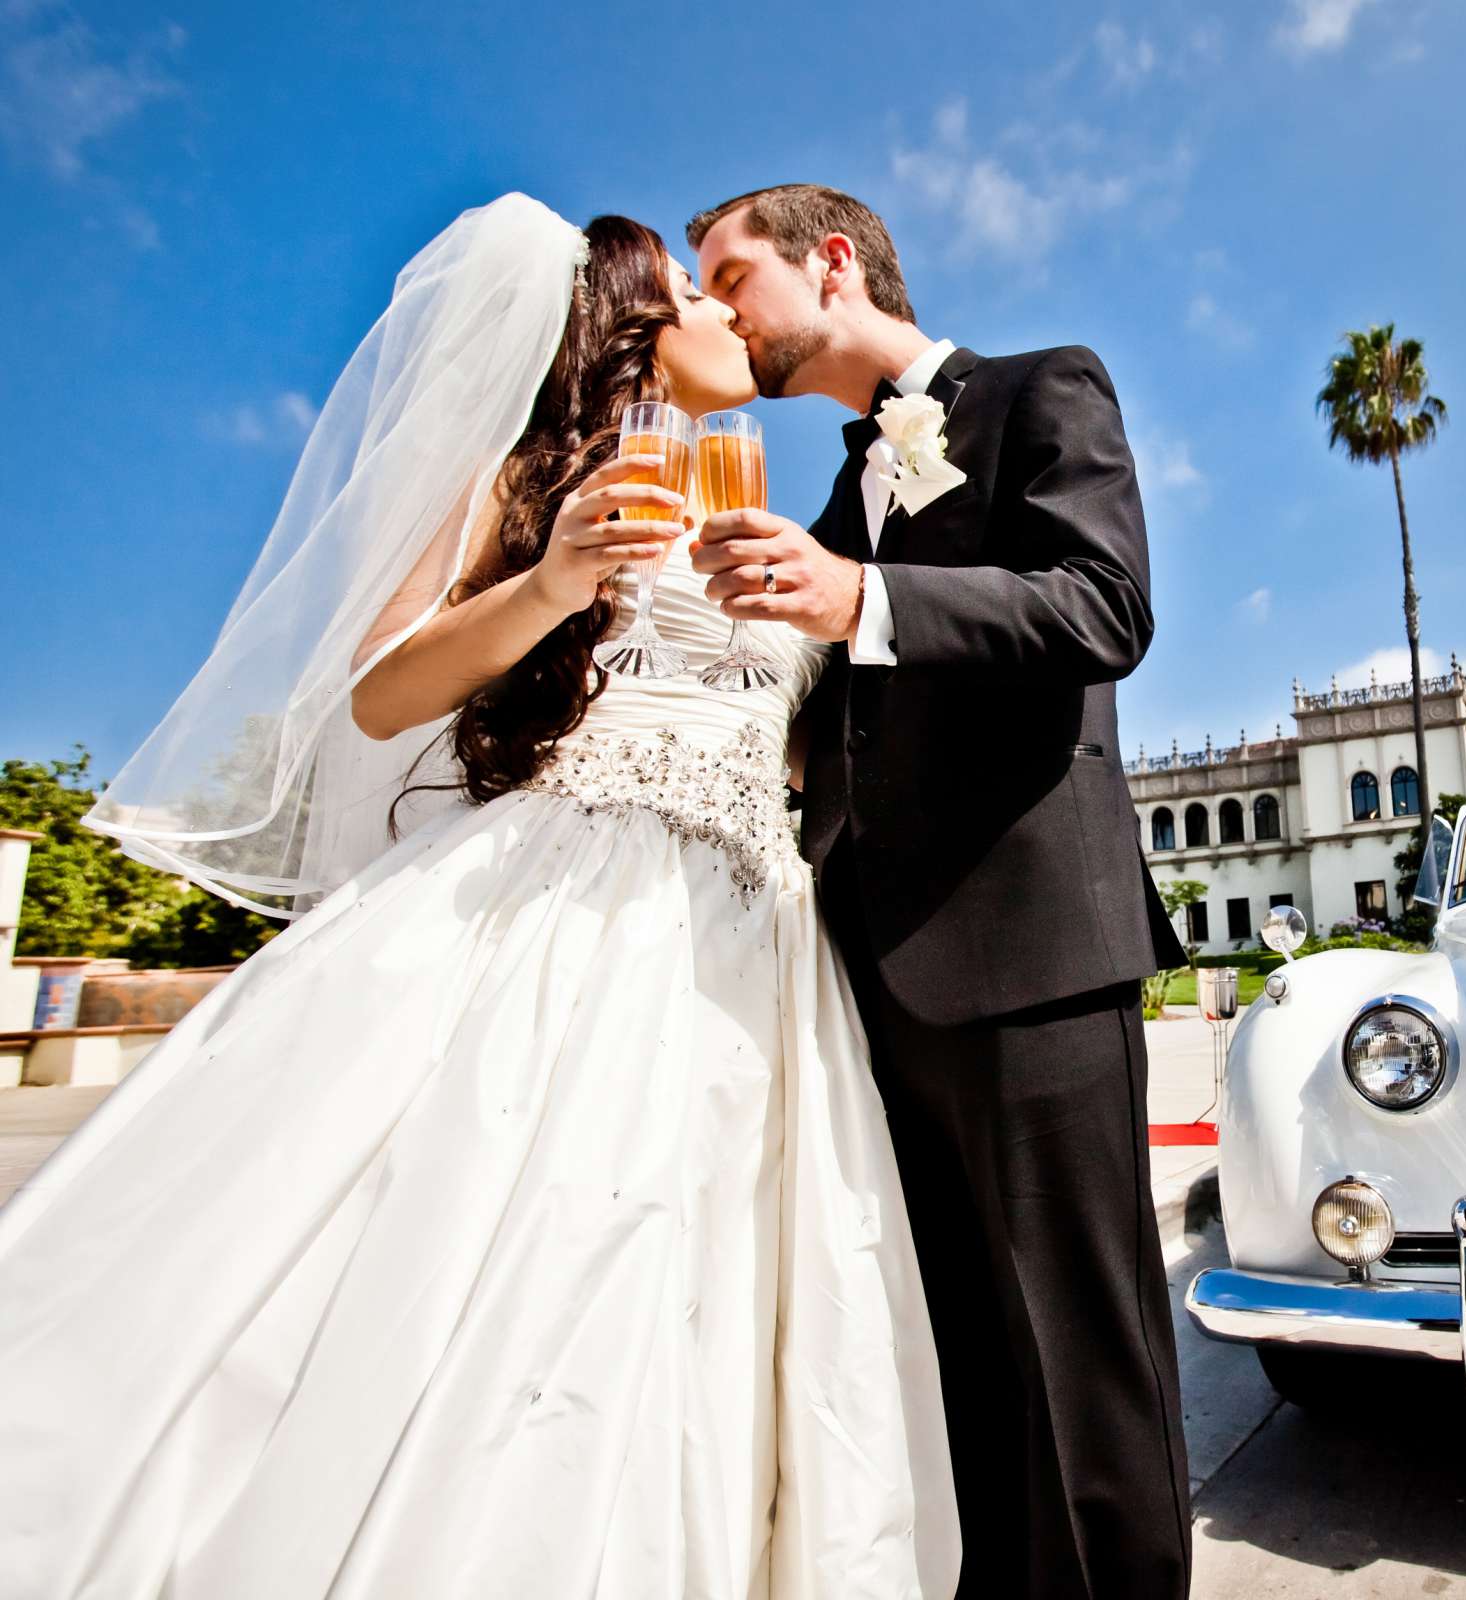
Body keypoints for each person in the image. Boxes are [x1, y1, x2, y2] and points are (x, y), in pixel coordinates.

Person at [0, 195, 959, 1599]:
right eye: (693, 298)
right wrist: (559, 577)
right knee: (539, 1280)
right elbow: (385, 690)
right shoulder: (536, 486)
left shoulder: (772, 519)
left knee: (730, 1316)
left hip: (758, 953)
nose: (723, 314)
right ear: (629, 328)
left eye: (729, 284)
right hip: (577, 907)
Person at [685, 184, 1191, 1600]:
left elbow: (1103, 609)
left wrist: (861, 603)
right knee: (956, 1357)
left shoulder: (1044, 392)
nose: (719, 308)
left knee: (1080, 1369)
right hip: (869, 979)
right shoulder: (837, 496)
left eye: (734, 275)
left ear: (831, 262)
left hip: (1029, 954)